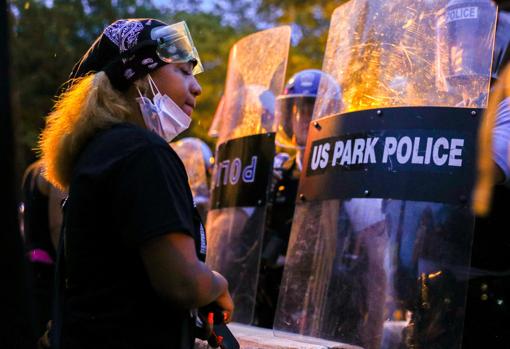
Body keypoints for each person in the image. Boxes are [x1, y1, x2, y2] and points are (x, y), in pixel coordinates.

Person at [37, 18, 233, 349]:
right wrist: (218, 285)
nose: (197, 86)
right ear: (140, 77)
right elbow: (182, 282)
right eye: (184, 72)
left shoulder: (102, 151)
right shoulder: (143, 152)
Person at [254, 69, 340, 328]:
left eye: (313, 109)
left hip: (326, 314)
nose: (305, 119)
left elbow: (374, 262)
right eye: (299, 110)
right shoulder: (279, 175)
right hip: (269, 311)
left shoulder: (348, 176)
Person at [19, 159, 65, 340]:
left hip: (32, 265)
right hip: (48, 272)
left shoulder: (31, 171)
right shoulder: (54, 170)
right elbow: (57, 225)